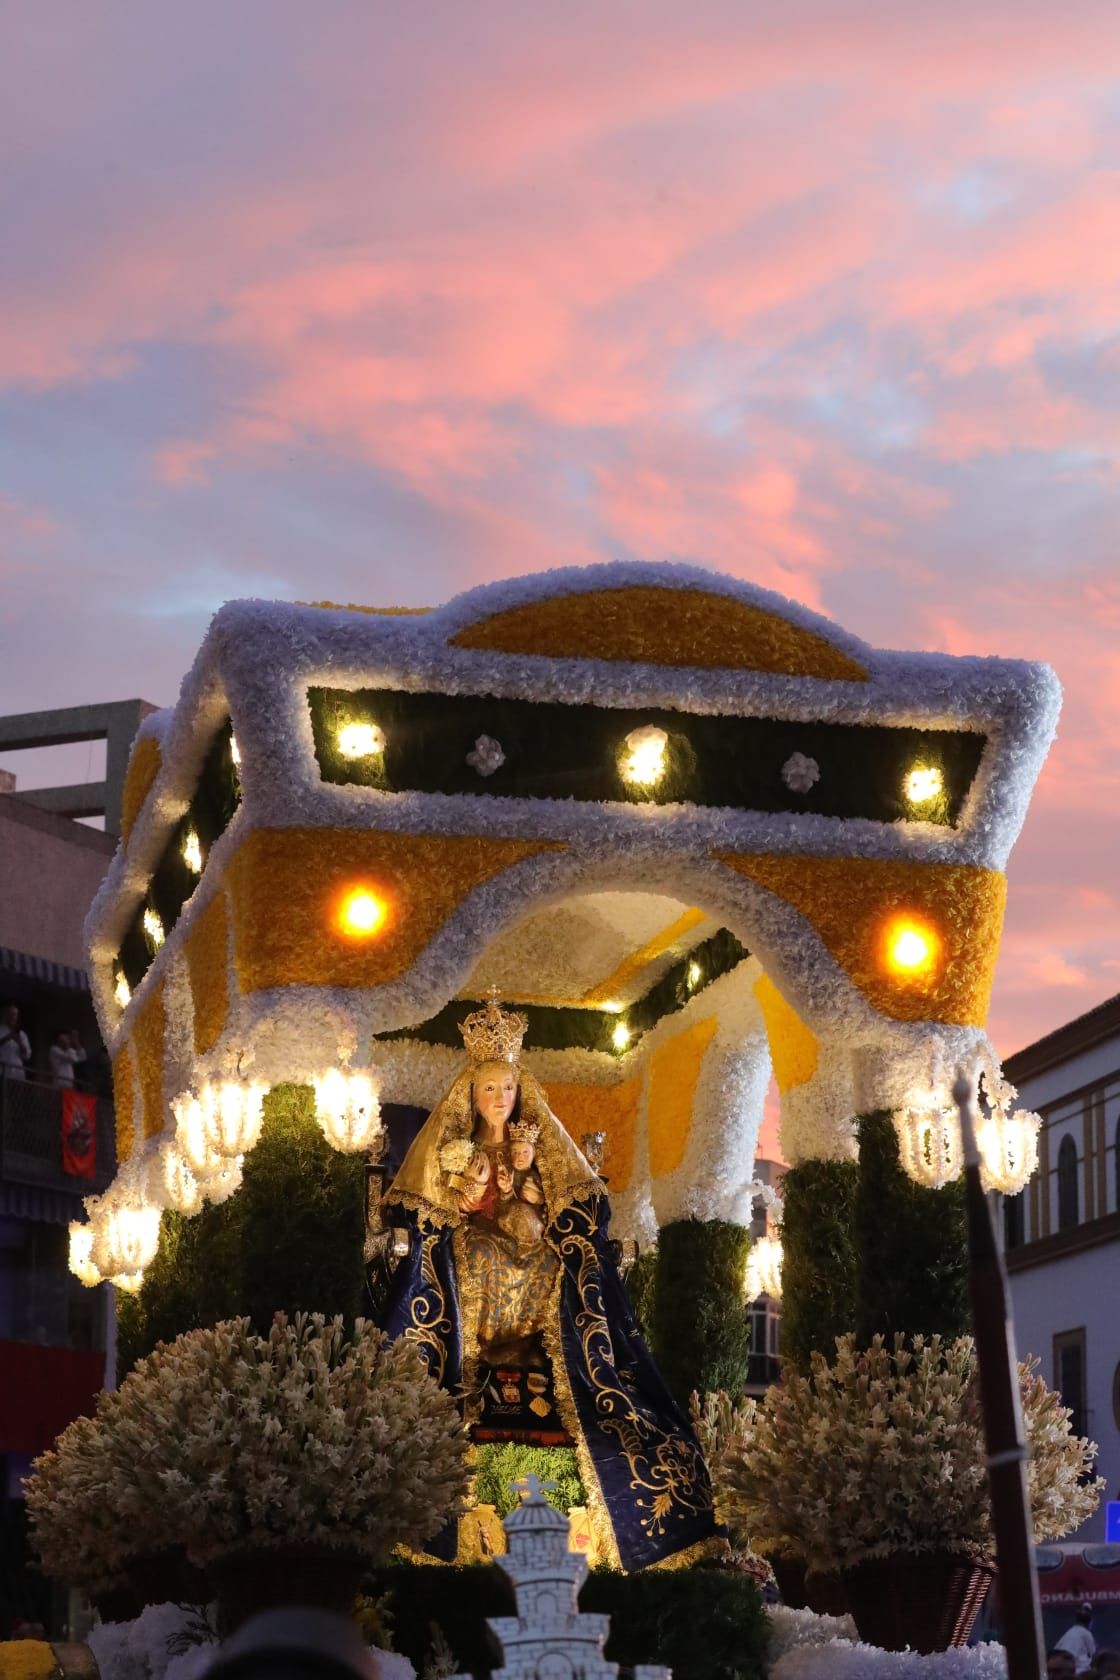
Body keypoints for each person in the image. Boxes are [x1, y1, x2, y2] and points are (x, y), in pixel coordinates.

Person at [380, 992, 717, 1572]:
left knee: (551, 1259)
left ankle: (541, 1355)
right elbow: (448, 1207)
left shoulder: (532, 1142)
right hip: (478, 1240)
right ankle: (474, 1366)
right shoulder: (457, 1146)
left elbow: (557, 1200)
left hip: (527, 1239)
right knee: (478, 1249)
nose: (500, 1099)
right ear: (471, 1093)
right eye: (489, 1089)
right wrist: (478, 1189)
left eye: (508, 1089)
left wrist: (531, 1180)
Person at [1056, 1606, 1097, 1675]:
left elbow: (1056, 1648)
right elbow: (1094, 1655)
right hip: (1078, 1669)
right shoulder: (1086, 1633)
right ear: (1090, 1622)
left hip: (1064, 1666)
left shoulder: (1069, 1632)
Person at [0, 1004, 30, 1080]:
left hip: (18, 1074)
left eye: (15, 1014)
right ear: (5, 1015)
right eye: (10, 1014)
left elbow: (27, 1055)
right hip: (2, 1072)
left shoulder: (22, 1034)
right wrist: (7, 1038)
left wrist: (19, 1042)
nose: (13, 1017)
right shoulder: (0, 1030)